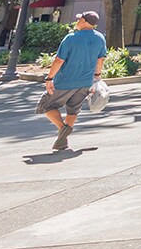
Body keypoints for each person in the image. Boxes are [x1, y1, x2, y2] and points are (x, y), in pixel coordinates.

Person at [39, 11, 107, 152]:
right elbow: (100, 60)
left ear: (84, 21)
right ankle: (62, 141)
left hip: (66, 80)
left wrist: (49, 78)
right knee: (73, 109)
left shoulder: (71, 38)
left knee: (46, 105)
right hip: (85, 82)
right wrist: (97, 77)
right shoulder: (100, 38)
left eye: (79, 19)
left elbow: (59, 60)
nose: (77, 21)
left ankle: (64, 129)